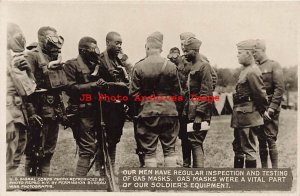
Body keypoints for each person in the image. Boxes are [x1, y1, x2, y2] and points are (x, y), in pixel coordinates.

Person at [130, 32, 182, 167]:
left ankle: (151, 184)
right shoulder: (171, 66)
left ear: (147, 47)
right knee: (170, 150)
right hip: (169, 111)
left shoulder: (139, 66)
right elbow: (178, 93)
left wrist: (138, 111)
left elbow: (134, 95)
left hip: (147, 112)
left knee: (149, 152)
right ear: (161, 49)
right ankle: (170, 185)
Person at [24, 26, 67, 176]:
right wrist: (31, 112)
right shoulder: (32, 56)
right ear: (42, 39)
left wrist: (62, 110)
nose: (55, 41)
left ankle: (42, 185)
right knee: (33, 151)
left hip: (52, 112)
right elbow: (24, 86)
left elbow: (58, 88)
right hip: (37, 111)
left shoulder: (53, 56)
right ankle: (29, 186)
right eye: (51, 37)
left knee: (48, 151)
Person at [63, 37, 106, 176]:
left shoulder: (95, 64)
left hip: (97, 110)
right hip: (81, 112)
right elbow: (69, 88)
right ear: (82, 50)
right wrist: (92, 85)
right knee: (87, 148)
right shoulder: (71, 65)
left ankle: (103, 177)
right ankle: (79, 182)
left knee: (102, 145)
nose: (95, 51)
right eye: (92, 48)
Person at [231, 39, 268, 168]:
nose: (237, 55)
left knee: (248, 148)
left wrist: (262, 112)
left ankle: (248, 181)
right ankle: (239, 178)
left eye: (240, 52)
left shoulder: (252, 71)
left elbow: (260, 95)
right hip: (241, 115)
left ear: (248, 54)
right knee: (238, 146)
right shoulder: (245, 70)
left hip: (249, 116)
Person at [97, 32, 130, 174]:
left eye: (121, 43)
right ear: (107, 42)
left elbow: (128, 80)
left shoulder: (119, 60)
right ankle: (103, 170)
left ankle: (111, 167)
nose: (119, 46)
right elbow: (96, 82)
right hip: (104, 107)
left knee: (114, 139)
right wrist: (117, 84)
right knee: (103, 139)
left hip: (118, 106)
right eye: (116, 43)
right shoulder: (100, 60)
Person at [182, 37, 214, 168]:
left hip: (198, 112)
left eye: (187, 51)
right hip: (190, 110)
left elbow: (206, 92)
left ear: (195, 50)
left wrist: (200, 115)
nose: (184, 54)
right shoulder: (193, 65)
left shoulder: (204, 66)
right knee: (193, 141)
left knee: (195, 141)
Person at [252, 39, 285, 168]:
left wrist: (271, 109)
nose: (254, 55)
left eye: (256, 52)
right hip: (259, 109)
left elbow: (279, 89)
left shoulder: (274, 65)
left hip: (271, 107)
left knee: (270, 139)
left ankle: (274, 172)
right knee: (261, 140)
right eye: (252, 52)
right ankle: (265, 171)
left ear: (263, 50)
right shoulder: (254, 68)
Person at [6, 23, 33, 176]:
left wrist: (28, 70)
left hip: (19, 113)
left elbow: (27, 89)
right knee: (6, 159)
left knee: (15, 159)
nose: (20, 38)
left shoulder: (12, 57)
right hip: (9, 115)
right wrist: (6, 120)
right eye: (16, 34)